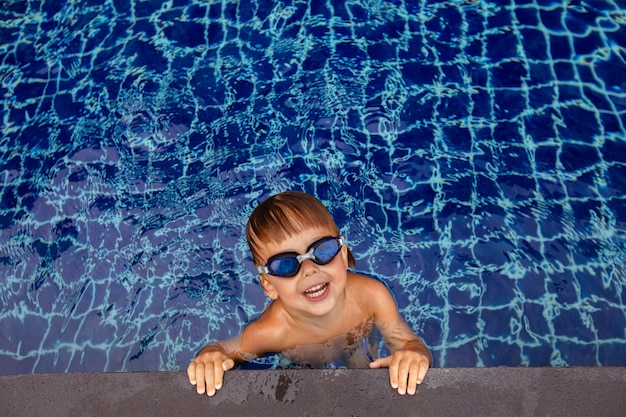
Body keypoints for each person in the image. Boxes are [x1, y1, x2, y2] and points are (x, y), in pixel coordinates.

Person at [187, 191, 431, 396]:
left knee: (370, 382)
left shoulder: (371, 297)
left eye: (322, 250)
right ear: (269, 286)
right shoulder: (271, 332)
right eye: (285, 264)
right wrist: (211, 356)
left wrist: (412, 354)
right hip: (301, 361)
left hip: (356, 345)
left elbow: (408, 343)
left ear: (343, 254)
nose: (310, 269)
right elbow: (223, 351)